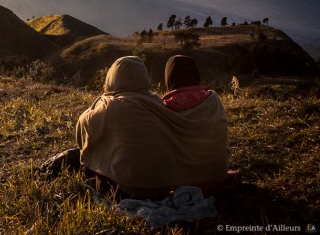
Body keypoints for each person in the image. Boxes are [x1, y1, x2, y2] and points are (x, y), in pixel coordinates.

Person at [76, 56, 228, 199]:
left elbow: (82, 127)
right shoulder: (157, 103)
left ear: (112, 78)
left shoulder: (110, 105)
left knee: (86, 160)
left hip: (129, 189)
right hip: (163, 186)